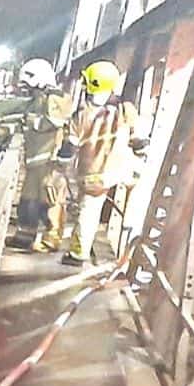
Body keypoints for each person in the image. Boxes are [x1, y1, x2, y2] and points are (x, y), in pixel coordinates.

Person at [61, 60, 142, 265]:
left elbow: (69, 146)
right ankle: (131, 240)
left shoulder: (83, 113)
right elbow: (139, 142)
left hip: (91, 174)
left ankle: (78, 254)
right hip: (117, 172)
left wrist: (60, 162)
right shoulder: (127, 110)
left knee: (87, 213)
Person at [8, 59, 74, 253]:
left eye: (28, 82)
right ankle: (24, 237)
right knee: (28, 201)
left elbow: (54, 121)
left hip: (49, 161)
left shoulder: (56, 97)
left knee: (50, 202)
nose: (26, 88)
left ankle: (50, 240)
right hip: (35, 160)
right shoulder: (38, 98)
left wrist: (31, 121)